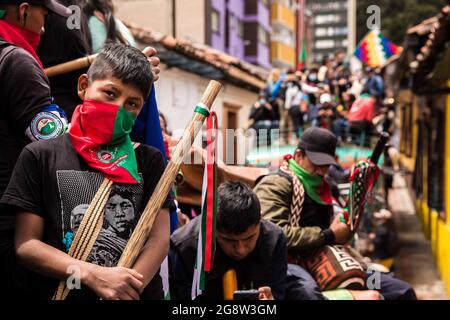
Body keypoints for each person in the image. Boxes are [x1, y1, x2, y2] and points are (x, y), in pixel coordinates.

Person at [1, 43, 174, 300]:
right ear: (83, 86)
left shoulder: (149, 160)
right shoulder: (39, 156)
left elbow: (159, 238)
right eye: (110, 93)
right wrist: (93, 275)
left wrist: (127, 289)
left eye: (132, 103)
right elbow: (27, 245)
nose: (118, 109)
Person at [254, 127, 416, 300]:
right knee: (308, 292)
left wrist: (352, 213)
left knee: (397, 289)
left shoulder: (328, 188)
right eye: (316, 163)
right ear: (299, 155)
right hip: (291, 264)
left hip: (330, 261)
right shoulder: (276, 184)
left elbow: (343, 232)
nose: (321, 171)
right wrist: (328, 235)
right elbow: (273, 235)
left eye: (326, 165)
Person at [0, 0, 72, 299]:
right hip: (8, 228)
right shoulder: (17, 62)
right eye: (44, 14)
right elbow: (57, 145)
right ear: (24, 10)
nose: (44, 26)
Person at [169, 181, 287, 300]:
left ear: (260, 219)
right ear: (211, 226)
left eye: (248, 238)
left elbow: (278, 292)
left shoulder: (275, 240)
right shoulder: (184, 248)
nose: (240, 250)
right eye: (229, 240)